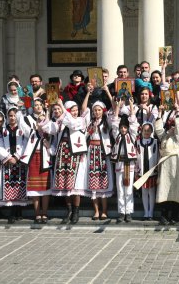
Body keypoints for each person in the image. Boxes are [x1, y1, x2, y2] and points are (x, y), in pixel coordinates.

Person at [41, 99, 88, 224]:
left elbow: (72, 124)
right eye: (71, 110)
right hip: (63, 154)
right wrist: (47, 110)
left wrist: (62, 107)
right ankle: (69, 211)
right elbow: (47, 128)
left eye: (75, 110)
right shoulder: (61, 121)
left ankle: (76, 211)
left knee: (76, 185)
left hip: (76, 155)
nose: (74, 112)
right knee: (65, 185)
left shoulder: (80, 120)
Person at [82, 90, 118, 220]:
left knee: (103, 183)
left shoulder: (106, 122)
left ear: (102, 111)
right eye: (95, 110)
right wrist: (88, 94)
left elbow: (114, 109)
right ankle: (96, 211)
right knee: (93, 184)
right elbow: (83, 110)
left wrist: (107, 92)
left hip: (103, 154)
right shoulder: (90, 123)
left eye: (99, 110)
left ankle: (104, 210)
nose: (96, 112)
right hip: (92, 153)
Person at [18, 101, 52, 224]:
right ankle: (37, 213)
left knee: (45, 187)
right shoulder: (30, 126)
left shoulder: (49, 126)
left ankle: (45, 212)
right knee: (35, 188)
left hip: (46, 158)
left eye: (39, 105)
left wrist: (47, 113)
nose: (37, 107)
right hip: (34, 158)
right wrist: (20, 108)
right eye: (35, 105)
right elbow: (21, 124)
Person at [151, 104, 179, 225]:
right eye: (170, 126)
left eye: (173, 126)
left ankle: (175, 215)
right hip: (165, 166)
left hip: (176, 165)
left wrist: (177, 112)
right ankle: (164, 214)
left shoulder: (178, 138)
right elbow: (158, 129)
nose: (172, 128)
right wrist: (160, 112)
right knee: (164, 189)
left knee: (175, 189)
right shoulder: (164, 137)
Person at [0, 107, 28, 223]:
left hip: (19, 162)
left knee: (19, 185)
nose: (12, 118)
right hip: (8, 162)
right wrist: (8, 157)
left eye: (14, 115)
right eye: (10, 116)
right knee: (9, 186)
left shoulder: (22, 129)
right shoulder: (3, 130)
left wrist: (17, 156)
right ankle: (11, 212)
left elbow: (25, 143)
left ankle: (19, 211)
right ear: (7, 117)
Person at [111, 99, 139, 223]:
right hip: (119, 163)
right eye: (121, 127)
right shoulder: (116, 134)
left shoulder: (131, 135)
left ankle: (129, 212)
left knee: (128, 189)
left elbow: (133, 122)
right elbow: (114, 120)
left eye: (124, 128)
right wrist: (117, 106)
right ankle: (122, 212)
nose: (123, 129)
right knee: (120, 189)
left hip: (130, 164)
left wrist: (131, 105)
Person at [135, 121, 158, 222]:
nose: (146, 132)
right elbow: (136, 157)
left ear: (151, 131)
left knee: (151, 192)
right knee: (144, 192)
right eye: (144, 130)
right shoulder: (138, 142)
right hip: (142, 172)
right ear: (141, 131)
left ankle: (151, 212)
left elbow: (158, 156)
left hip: (152, 171)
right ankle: (146, 212)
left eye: (148, 130)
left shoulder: (155, 142)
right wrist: (136, 171)